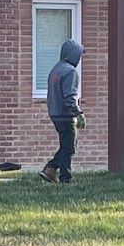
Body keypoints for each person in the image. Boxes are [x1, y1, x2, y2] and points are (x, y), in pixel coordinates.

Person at [43, 37, 83, 181]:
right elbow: (70, 96)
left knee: (66, 144)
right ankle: (65, 178)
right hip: (66, 115)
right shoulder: (70, 72)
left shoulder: (56, 69)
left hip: (55, 113)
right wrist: (78, 113)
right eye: (79, 55)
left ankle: (50, 169)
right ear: (73, 55)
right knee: (69, 148)